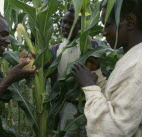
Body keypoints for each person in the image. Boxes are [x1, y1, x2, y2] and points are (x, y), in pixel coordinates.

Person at [72, 0, 142, 137]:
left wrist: (89, 86)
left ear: (130, 22)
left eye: (108, 25)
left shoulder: (140, 63)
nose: (104, 32)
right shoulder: (140, 55)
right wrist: (97, 76)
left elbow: (112, 129)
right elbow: (118, 98)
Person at [47, 8, 98, 137]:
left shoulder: (92, 46)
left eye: (71, 23)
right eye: (64, 22)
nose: (65, 26)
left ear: (80, 27)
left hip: (91, 105)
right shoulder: (55, 50)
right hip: (67, 105)